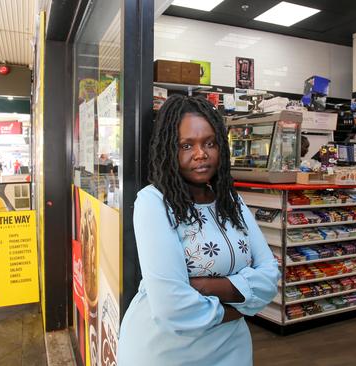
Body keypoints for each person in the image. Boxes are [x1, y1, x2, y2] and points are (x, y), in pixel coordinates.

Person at [117, 95, 280, 365]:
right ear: (170, 150)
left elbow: (269, 277)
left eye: (209, 143)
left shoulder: (230, 199)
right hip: (164, 351)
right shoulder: (153, 201)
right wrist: (242, 306)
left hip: (231, 350)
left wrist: (205, 287)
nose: (200, 153)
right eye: (186, 145)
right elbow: (173, 309)